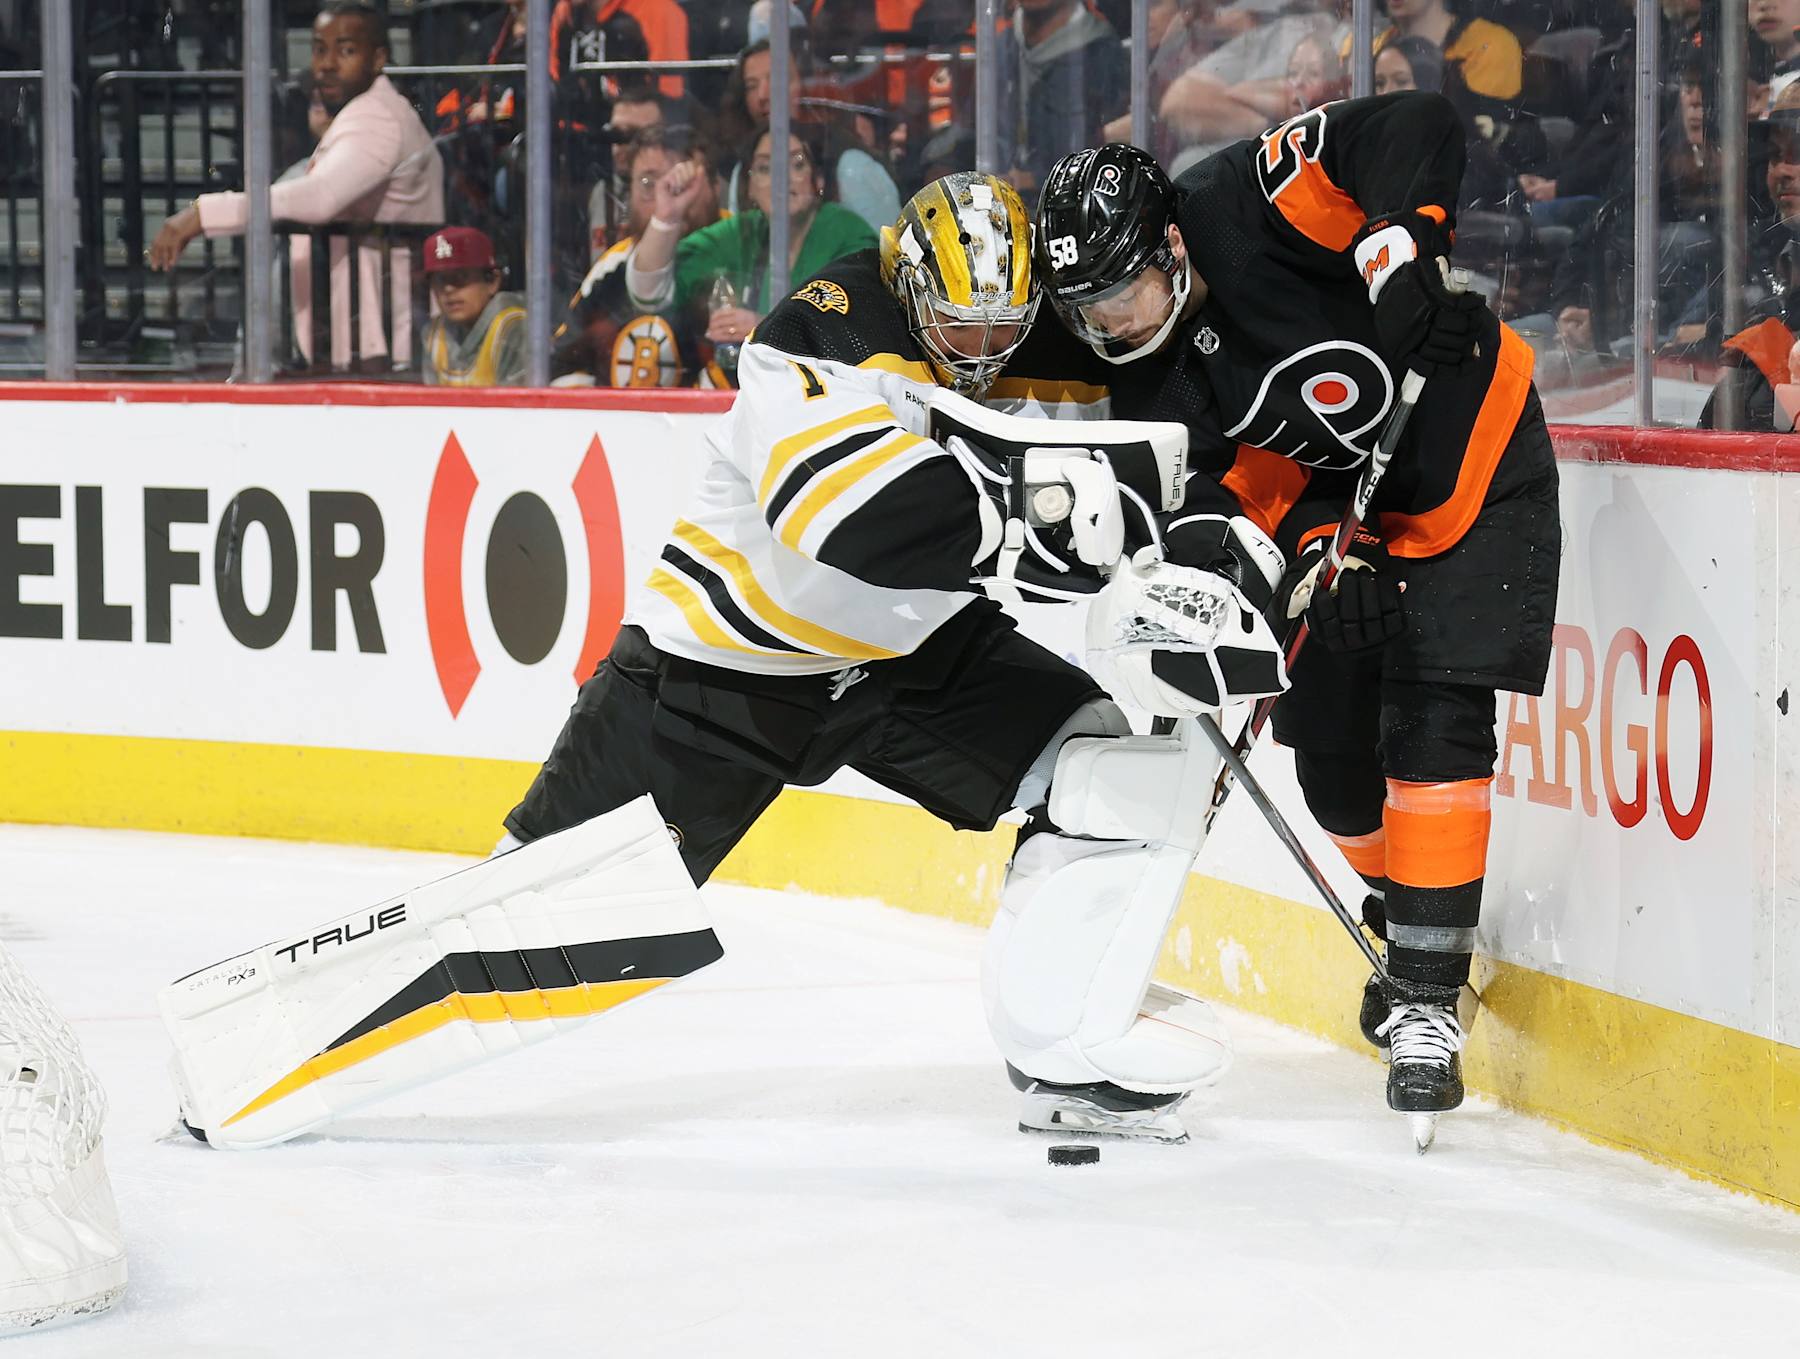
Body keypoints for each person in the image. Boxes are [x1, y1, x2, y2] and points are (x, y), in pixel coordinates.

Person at [500, 172, 1264, 1144]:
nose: (985, 355)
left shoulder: (1045, 338)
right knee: (540, 920)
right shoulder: (827, 329)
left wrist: (1206, 558)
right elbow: (861, 521)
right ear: (907, 289)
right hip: (733, 661)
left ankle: (1066, 1039)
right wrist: (1063, 534)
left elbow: (1170, 459)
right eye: (960, 328)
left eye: (1004, 328)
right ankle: (332, 1027)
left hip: (913, 657)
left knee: (1109, 768)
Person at [1034, 93, 1561, 1143]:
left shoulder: (1246, 206)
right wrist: (1322, 566)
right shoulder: (1140, 382)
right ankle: (1407, 910)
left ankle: (1424, 995)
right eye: (1091, 312)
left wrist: (1397, 264)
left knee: (1434, 715)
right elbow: (1228, 511)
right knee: (1326, 755)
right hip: (1342, 515)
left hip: (1472, 460)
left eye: (1127, 294)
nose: (1115, 328)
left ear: (1173, 242)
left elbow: (1411, 124)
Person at [147, 2, 444, 371]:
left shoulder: (378, 116)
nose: (327, 64)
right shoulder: (368, 110)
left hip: (376, 341)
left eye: (347, 50)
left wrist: (201, 214)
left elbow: (319, 198)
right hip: (353, 336)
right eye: (320, 49)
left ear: (378, 57)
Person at [626, 125, 878, 384]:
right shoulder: (741, 232)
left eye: (797, 164)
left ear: (819, 180)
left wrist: (767, 330)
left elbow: (858, 335)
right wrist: (667, 216)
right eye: (765, 168)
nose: (781, 178)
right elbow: (650, 293)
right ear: (749, 187)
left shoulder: (848, 233)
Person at [557, 127, 726, 387]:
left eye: (682, 180)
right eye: (648, 184)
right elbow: (562, 363)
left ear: (715, 186)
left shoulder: (741, 253)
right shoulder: (615, 267)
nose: (665, 198)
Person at [993, 0, 1130, 193]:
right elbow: (976, 133)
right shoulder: (1003, 47)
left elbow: (1099, 152)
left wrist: (1035, 179)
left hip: (1069, 198)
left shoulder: (1100, 51)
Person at [419, 226, 528, 386]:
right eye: (440, 280)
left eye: (461, 277)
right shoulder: (433, 334)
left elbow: (515, 406)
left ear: (492, 281)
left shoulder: (513, 327)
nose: (449, 289)